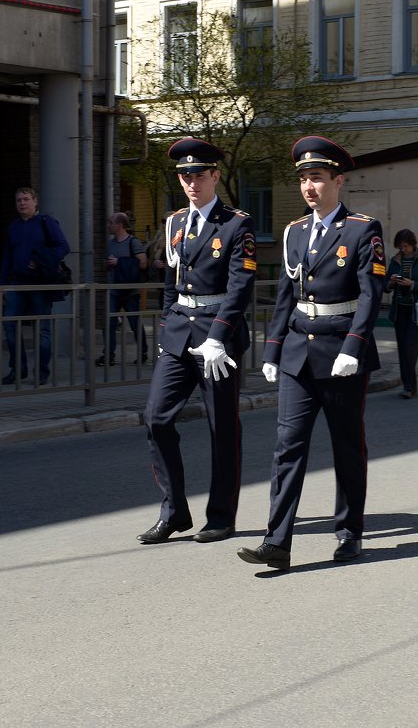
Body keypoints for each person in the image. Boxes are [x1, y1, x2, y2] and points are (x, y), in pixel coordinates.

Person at [237, 136, 386, 570]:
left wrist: (355, 346)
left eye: (317, 177)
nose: (309, 186)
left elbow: (371, 294)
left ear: (338, 181)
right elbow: (285, 295)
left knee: (346, 447)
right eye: (303, 178)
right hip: (299, 353)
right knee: (287, 446)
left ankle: (349, 532)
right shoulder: (295, 231)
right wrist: (272, 348)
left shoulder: (362, 229)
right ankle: (277, 541)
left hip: (342, 352)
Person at [138, 137, 257, 545]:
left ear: (215, 177)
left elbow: (241, 286)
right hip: (179, 334)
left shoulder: (236, 223)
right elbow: (171, 280)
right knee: (156, 417)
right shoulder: (174, 223)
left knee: (221, 427)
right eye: (184, 175)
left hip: (216, 338)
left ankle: (221, 516)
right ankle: (173, 512)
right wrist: (166, 325)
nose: (191, 181)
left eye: (199, 174)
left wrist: (220, 337)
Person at [0, 186, 70, 385]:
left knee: (42, 330)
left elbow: (63, 247)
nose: (22, 203)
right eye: (18, 200)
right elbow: (7, 257)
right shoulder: (13, 227)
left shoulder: (46, 222)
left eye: (25, 199)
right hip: (16, 283)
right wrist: (3, 285)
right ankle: (17, 368)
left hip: (40, 284)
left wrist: (41, 260)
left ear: (35, 201)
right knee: (10, 325)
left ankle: (41, 372)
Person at [385, 229, 418, 399]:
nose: (403, 250)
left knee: (409, 346)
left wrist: (413, 284)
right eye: (400, 246)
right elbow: (385, 285)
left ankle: (410, 385)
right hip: (399, 310)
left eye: (405, 246)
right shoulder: (395, 261)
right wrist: (392, 282)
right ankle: (408, 386)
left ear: (413, 244)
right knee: (402, 348)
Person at [95, 212, 149, 367]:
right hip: (114, 289)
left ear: (119, 225)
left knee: (134, 323)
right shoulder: (111, 244)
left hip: (130, 290)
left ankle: (143, 353)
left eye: (110, 222)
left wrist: (120, 262)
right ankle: (108, 355)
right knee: (109, 322)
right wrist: (108, 264)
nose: (108, 225)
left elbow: (143, 263)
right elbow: (105, 265)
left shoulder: (133, 242)